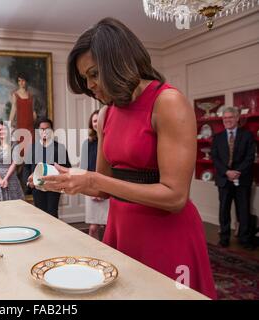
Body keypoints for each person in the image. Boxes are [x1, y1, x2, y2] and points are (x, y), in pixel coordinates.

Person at [40, 17, 217, 299]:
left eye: (95, 74)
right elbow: (101, 185)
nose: (91, 86)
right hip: (121, 228)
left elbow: (175, 197)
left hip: (166, 233)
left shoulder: (167, 102)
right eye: (86, 78)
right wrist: (66, 180)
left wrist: (94, 179)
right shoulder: (108, 113)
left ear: (119, 61)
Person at [211, 107, 255, 249]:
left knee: (243, 210)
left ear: (237, 118)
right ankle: (224, 238)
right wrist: (227, 172)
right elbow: (215, 158)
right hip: (224, 180)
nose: (227, 120)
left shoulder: (247, 135)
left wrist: (237, 172)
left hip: (242, 179)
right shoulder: (217, 137)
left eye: (230, 117)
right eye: (225, 118)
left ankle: (245, 239)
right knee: (224, 210)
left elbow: (250, 157)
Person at [23, 118, 71, 218]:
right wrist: (28, 182)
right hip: (37, 187)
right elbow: (26, 168)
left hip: (54, 188)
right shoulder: (32, 148)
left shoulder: (60, 148)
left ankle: (54, 234)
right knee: (40, 215)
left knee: (52, 213)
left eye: (47, 129)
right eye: (42, 129)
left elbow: (67, 167)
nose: (44, 131)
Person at [81, 109, 109, 240]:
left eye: (98, 120)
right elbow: (85, 167)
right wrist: (92, 189)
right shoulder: (87, 143)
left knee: (108, 226)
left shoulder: (109, 140)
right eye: (94, 121)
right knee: (93, 227)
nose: (96, 123)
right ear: (91, 124)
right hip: (91, 185)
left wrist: (103, 189)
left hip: (107, 186)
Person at [0, 121, 24, 201]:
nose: (2, 131)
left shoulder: (14, 144)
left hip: (10, 178)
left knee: (12, 206)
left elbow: (14, 163)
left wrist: (5, 178)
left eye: (4, 129)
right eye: (0, 130)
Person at [9, 73, 37, 142]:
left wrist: (35, 122)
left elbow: (33, 111)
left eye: (23, 80)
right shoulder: (15, 95)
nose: (21, 83)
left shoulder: (31, 95)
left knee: (31, 148)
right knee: (22, 148)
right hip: (21, 125)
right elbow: (13, 110)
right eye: (19, 81)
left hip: (30, 125)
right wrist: (8, 124)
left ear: (26, 81)